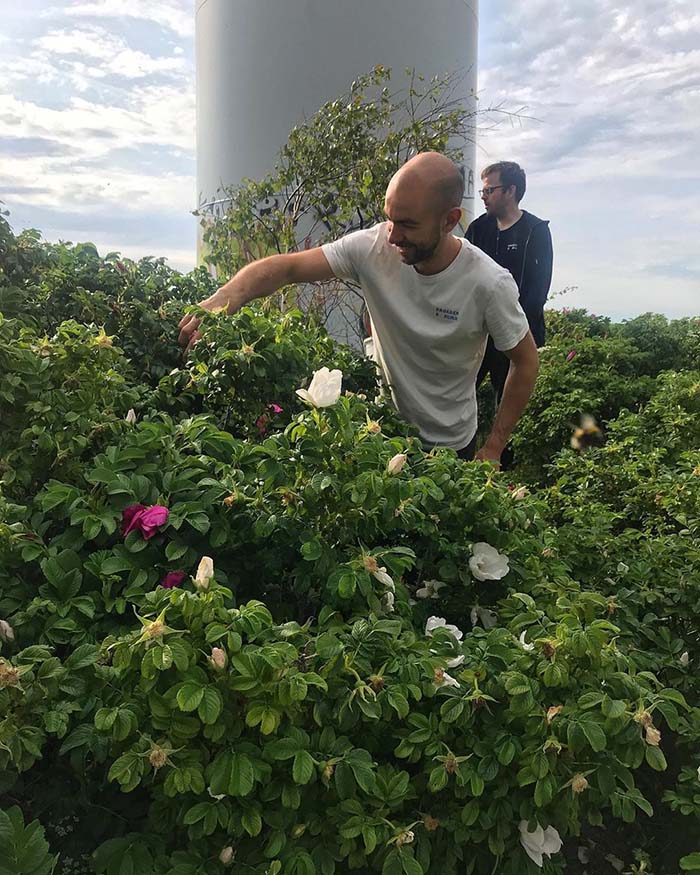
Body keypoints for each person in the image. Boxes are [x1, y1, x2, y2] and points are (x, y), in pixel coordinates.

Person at [178, 152, 539, 465]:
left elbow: (525, 361)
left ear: (449, 220)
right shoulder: (375, 247)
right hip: (381, 431)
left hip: (450, 446)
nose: (393, 235)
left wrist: (494, 447)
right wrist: (225, 297)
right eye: (390, 218)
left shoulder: (489, 282)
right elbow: (287, 268)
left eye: (409, 224)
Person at [466, 161, 553, 406]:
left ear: (510, 191)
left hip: (515, 333)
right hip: (478, 333)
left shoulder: (535, 231)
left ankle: (500, 445)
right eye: (483, 191)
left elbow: (537, 292)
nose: (484, 197)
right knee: (458, 394)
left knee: (506, 403)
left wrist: (511, 329)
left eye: (489, 191)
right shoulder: (478, 229)